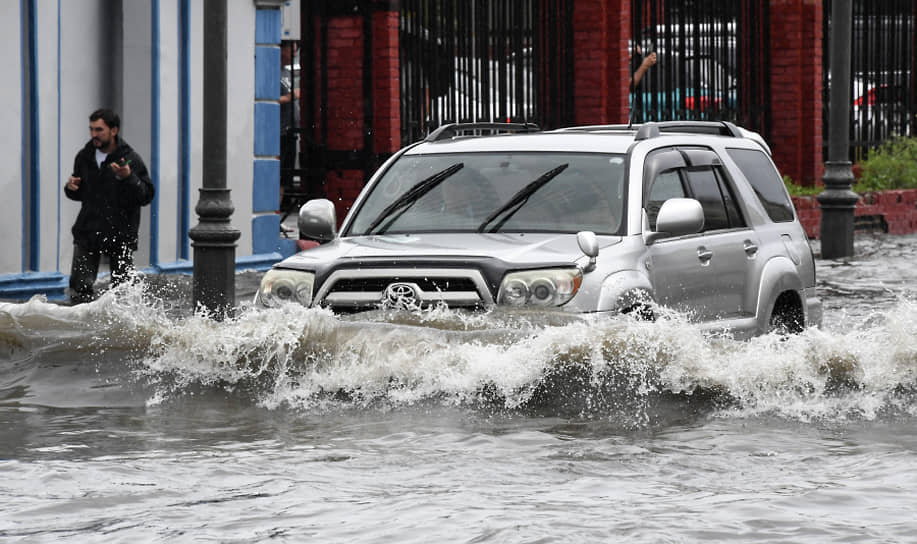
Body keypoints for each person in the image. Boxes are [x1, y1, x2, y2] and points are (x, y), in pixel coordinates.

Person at [64, 108, 155, 304]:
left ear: (113, 131)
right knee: (79, 290)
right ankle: (83, 328)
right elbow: (81, 193)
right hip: (87, 231)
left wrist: (128, 177)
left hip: (120, 233)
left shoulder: (130, 158)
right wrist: (70, 188)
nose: (94, 135)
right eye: (91, 129)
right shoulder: (84, 156)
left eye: (99, 130)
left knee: (123, 294)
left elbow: (146, 195)